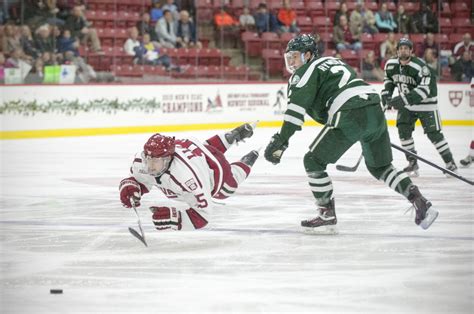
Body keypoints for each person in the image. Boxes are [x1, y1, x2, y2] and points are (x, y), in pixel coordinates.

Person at [263, 34, 437, 234]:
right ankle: (419, 200)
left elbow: (295, 113)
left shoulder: (304, 72)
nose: (291, 62)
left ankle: (326, 212)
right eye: (289, 57)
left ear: (308, 55)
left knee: (313, 161)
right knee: (380, 166)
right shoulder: (332, 61)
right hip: (373, 107)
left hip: (351, 111)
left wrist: (281, 140)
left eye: (295, 56)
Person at [119, 123, 259, 231]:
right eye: (148, 159)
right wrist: (131, 188)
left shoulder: (187, 178)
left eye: (155, 161)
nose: (149, 166)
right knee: (206, 149)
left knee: (227, 189)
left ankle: (248, 160)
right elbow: (139, 179)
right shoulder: (142, 162)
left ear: (168, 159)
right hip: (196, 151)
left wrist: (175, 218)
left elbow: (203, 215)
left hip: (215, 171)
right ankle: (231, 136)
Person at [382, 38, 457, 176]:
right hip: (407, 105)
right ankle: (412, 162)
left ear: (411, 51)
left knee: (434, 135)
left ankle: (450, 163)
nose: (403, 50)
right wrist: (386, 97)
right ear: (397, 50)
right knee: (403, 132)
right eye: (401, 48)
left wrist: (403, 99)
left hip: (427, 104)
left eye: (406, 48)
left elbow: (424, 90)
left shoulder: (421, 67)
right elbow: (389, 81)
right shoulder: (391, 65)